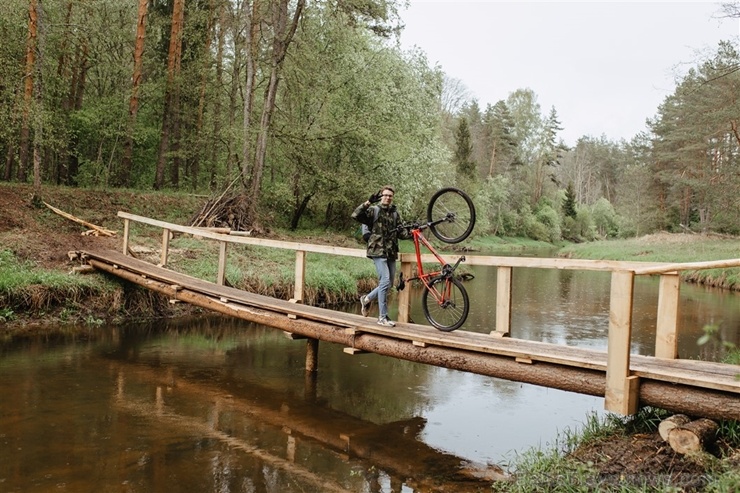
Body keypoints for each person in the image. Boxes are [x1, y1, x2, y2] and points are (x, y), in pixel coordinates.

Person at [352, 185, 409, 327]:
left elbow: (402, 233)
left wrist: (413, 233)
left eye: (390, 195)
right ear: (381, 196)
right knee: (385, 282)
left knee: (389, 284)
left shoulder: (395, 214)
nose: (388, 197)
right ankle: (382, 317)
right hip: (377, 251)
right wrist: (368, 202)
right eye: (386, 195)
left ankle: (366, 299)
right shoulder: (374, 210)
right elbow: (355, 215)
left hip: (391, 252)